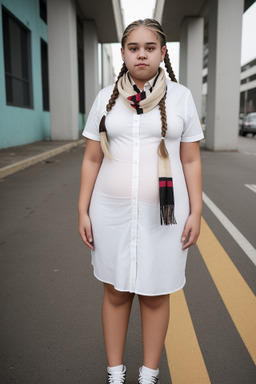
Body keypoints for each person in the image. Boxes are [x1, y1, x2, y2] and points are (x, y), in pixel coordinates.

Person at [78, 18, 204, 384]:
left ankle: (148, 374)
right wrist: (82, 209)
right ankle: (114, 373)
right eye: (134, 48)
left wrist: (196, 210)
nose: (142, 54)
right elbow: (91, 158)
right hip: (110, 213)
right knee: (116, 292)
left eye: (150, 48)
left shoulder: (180, 98)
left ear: (163, 53)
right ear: (123, 53)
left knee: (154, 294)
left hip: (164, 217)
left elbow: (191, 159)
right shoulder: (106, 98)